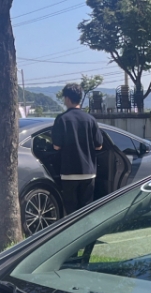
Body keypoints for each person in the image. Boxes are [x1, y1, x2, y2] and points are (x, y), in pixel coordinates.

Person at [51, 82, 103, 215]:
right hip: (88, 172)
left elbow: (56, 146)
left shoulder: (61, 119)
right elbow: (99, 145)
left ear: (67, 99)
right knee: (86, 211)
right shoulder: (90, 119)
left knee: (71, 212)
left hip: (69, 172)